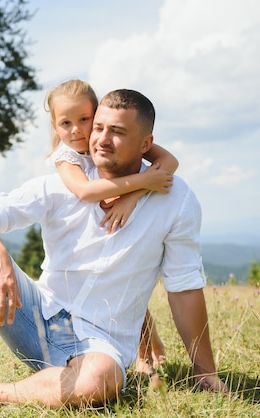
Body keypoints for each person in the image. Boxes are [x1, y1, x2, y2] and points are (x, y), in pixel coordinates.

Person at [0, 88, 228, 409]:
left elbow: (184, 286)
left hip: (100, 345)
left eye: (118, 132)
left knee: (98, 380)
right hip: (36, 317)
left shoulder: (175, 199)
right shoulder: (64, 179)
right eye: (99, 127)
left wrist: (205, 371)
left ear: (146, 144)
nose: (102, 139)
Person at [45, 79, 174, 374]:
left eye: (84, 120)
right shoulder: (64, 157)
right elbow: (85, 192)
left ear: (97, 114)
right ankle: (145, 353)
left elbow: (169, 160)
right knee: (117, 295)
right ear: (55, 126)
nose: (77, 130)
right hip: (82, 232)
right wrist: (143, 181)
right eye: (66, 123)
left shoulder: (104, 138)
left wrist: (132, 197)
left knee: (128, 291)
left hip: (113, 216)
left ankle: (150, 353)